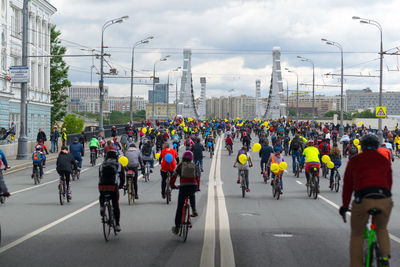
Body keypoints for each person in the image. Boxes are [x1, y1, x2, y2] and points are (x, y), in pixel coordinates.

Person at [339, 134, 392, 267]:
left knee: (357, 234)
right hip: (384, 198)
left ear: (361, 147)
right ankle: (385, 258)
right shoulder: (383, 160)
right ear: (377, 147)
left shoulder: (355, 160)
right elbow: (388, 182)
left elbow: (348, 186)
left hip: (363, 199)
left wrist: (345, 206)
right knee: (381, 228)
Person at [170, 151, 199, 235]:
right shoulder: (194, 165)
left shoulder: (180, 165)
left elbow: (173, 176)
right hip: (193, 186)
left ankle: (177, 227)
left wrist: (172, 185)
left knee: (180, 207)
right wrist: (197, 187)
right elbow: (197, 177)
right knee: (192, 194)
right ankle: (194, 210)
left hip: (183, 186)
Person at [99, 150, 125, 232]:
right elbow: (122, 178)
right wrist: (120, 186)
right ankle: (117, 224)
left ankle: (102, 206)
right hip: (113, 186)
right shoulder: (119, 165)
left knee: (102, 195)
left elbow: (100, 176)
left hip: (102, 186)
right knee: (115, 205)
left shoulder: (102, 165)